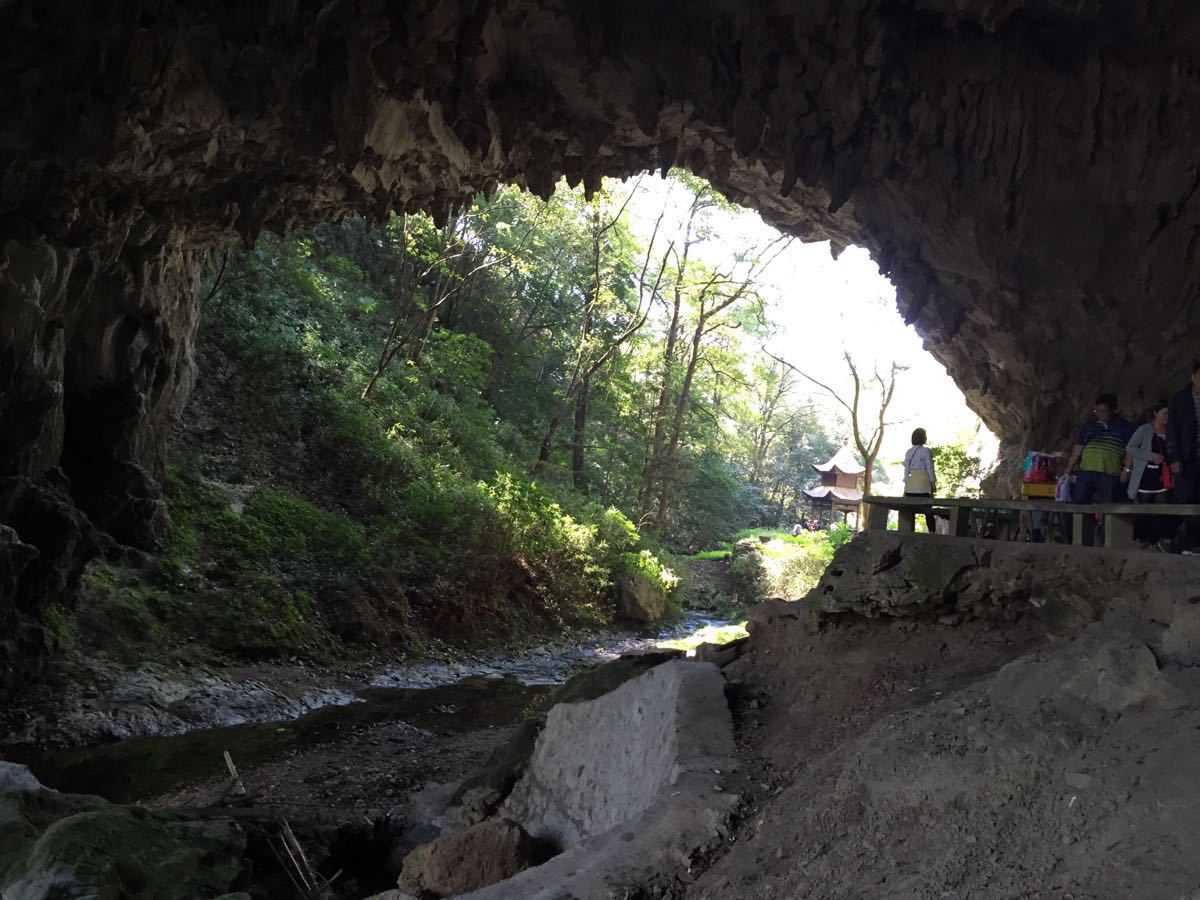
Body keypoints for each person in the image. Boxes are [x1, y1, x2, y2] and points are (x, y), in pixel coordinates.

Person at [1063, 393, 1134, 506]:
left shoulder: (1124, 427)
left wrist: (1127, 470)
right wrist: (1069, 466)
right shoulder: (1089, 425)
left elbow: (1131, 450)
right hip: (1086, 471)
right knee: (1079, 504)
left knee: (1109, 507)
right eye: (1097, 411)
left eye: (1103, 411)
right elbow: (1078, 447)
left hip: (1109, 473)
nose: (1099, 414)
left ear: (1113, 411)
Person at [1123, 402, 1173, 550]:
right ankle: (1142, 540)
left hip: (1162, 477)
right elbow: (1130, 447)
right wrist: (1151, 456)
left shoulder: (1171, 430)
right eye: (1164, 413)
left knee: (1161, 510)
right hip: (1145, 476)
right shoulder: (1144, 430)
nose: (1167, 417)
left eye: (1169, 414)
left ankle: (1156, 542)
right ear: (1155, 413)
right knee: (1144, 510)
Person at [1167, 362, 1200, 549]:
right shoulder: (1180, 400)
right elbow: (1172, 431)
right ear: (1193, 376)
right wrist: (1175, 458)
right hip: (1187, 458)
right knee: (1186, 498)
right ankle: (1183, 541)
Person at [903, 427, 937, 533]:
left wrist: (906, 485)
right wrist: (933, 483)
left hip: (910, 488)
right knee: (928, 509)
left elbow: (906, 471)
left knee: (909, 510)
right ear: (923, 438)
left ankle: (907, 531)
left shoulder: (908, 452)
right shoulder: (926, 451)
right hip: (923, 487)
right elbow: (930, 468)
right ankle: (931, 531)